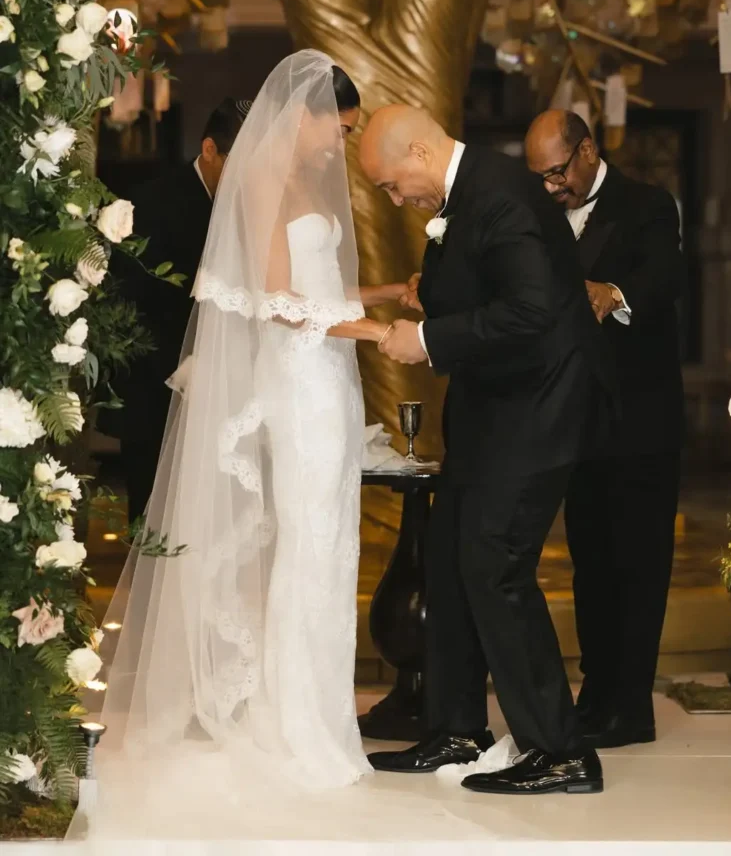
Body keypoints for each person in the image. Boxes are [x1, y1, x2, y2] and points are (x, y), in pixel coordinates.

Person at [74, 52, 413, 841]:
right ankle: (293, 726)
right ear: (306, 114)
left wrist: (384, 294)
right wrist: (372, 331)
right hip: (298, 384)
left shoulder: (310, 182)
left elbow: (317, 287)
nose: (342, 142)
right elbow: (275, 301)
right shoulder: (263, 180)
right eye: (340, 127)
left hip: (331, 380)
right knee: (305, 548)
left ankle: (323, 722)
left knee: (331, 549)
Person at [357, 105, 611, 796]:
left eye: (390, 185)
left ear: (418, 152)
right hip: (490, 411)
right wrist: (432, 299)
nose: (395, 200)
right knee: (449, 559)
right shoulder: (466, 196)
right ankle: (456, 730)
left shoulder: (501, 194)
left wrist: (428, 340)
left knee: (495, 565)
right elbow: (482, 286)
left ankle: (561, 751)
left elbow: (532, 308)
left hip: (537, 410)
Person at [525, 110, 683, 749]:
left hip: (641, 422)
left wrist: (612, 291)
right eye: (540, 177)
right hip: (577, 423)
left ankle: (631, 706)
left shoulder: (647, 205)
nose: (550, 187)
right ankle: (596, 695)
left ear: (587, 150)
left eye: (557, 172)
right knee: (590, 565)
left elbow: (665, 279)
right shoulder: (541, 213)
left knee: (638, 565)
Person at [101, 98, 251, 523]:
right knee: (153, 514)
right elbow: (129, 306)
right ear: (209, 149)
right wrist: (186, 370)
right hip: (156, 389)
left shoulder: (254, 205)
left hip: (230, 390)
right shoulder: (151, 203)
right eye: (239, 164)